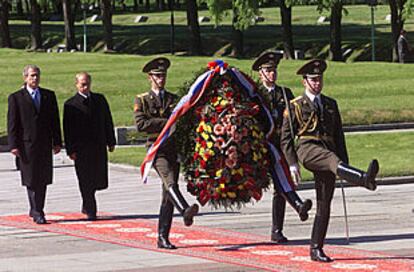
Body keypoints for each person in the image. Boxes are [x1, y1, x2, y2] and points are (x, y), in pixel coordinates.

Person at [281, 59, 379, 262]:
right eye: (313, 79)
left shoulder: (330, 104)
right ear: (304, 82)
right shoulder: (295, 106)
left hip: (329, 152)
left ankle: (316, 248)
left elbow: (339, 136)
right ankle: (364, 179)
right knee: (331, 160)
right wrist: (292, 164)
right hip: (308, 149)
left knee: (324, 203)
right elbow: (286, 139)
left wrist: (345, 165)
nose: (317, 83)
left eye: (320, 79)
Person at [134, 57, 199, 249]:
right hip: (156, 150)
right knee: (170, 181)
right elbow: (141, 125)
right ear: (150, 78)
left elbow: (181, 121)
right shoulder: (143, 99)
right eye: (157, 76)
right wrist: (167, 122)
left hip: (172, 149)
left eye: (163, 76)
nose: (161, 79)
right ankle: (185, 210)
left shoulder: (173, 99)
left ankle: (163, 237)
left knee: (166, 196)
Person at [252, 52, 311, 244]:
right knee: (281, 182)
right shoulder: (254, 95)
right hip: (261, 148)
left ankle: (277, 230)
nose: (272, 74)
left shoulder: (285, 94)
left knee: (280, 187)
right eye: (268, 70)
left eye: (274, 70)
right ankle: (297, 205)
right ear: (260, 73)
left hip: (281, 146)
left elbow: (295, 121)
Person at [7, 65, 62, 224]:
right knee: (31, 179)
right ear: (25, 78)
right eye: (31, 76)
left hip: (44, 144)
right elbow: (12, 123)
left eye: (37, 75)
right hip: (26, 145)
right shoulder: (16, 97)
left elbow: (54, 121)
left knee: (43, 178)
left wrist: (57, 142)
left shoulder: (48, 96)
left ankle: (36, 208)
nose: (35, 78)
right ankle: (38, 211)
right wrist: (13, 145)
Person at [63, 72, 116, 220]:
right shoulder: (70, 104)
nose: (85, 87)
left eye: (87, 84)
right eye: (82, 84)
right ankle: (91, 208)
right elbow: (68, 129)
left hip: (98, 146)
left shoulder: (99, 99)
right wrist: (70, 149)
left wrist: (111, 141)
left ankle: (87, 204)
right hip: (81, 149)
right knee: (84, 179)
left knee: (97, 178)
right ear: (76, 84)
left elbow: (107, 120)